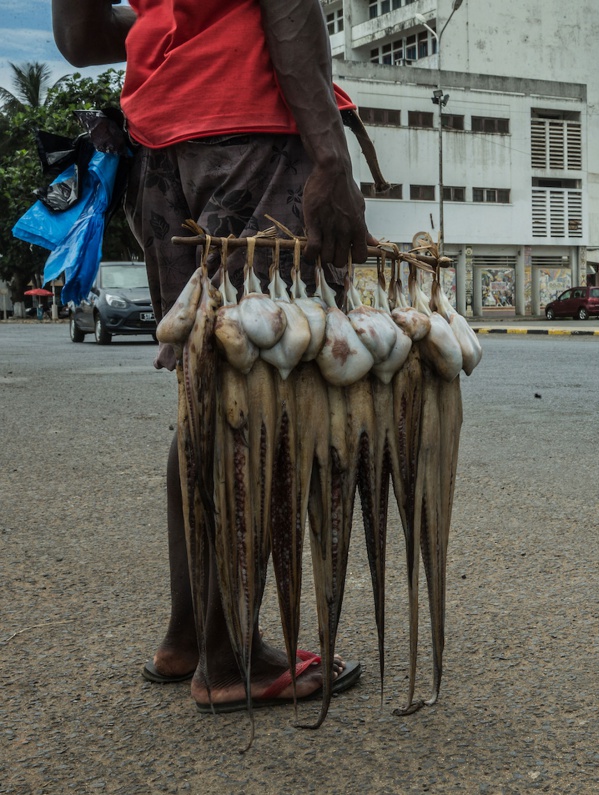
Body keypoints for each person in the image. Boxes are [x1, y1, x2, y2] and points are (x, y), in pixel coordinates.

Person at [52, 0, 368, 710]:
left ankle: (191, 634)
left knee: (207, 385)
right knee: (257, 390)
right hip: (252, 131)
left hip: (156, 149)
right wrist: (330, 157)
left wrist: (168, 24)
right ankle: (230, 658)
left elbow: (78, 35)